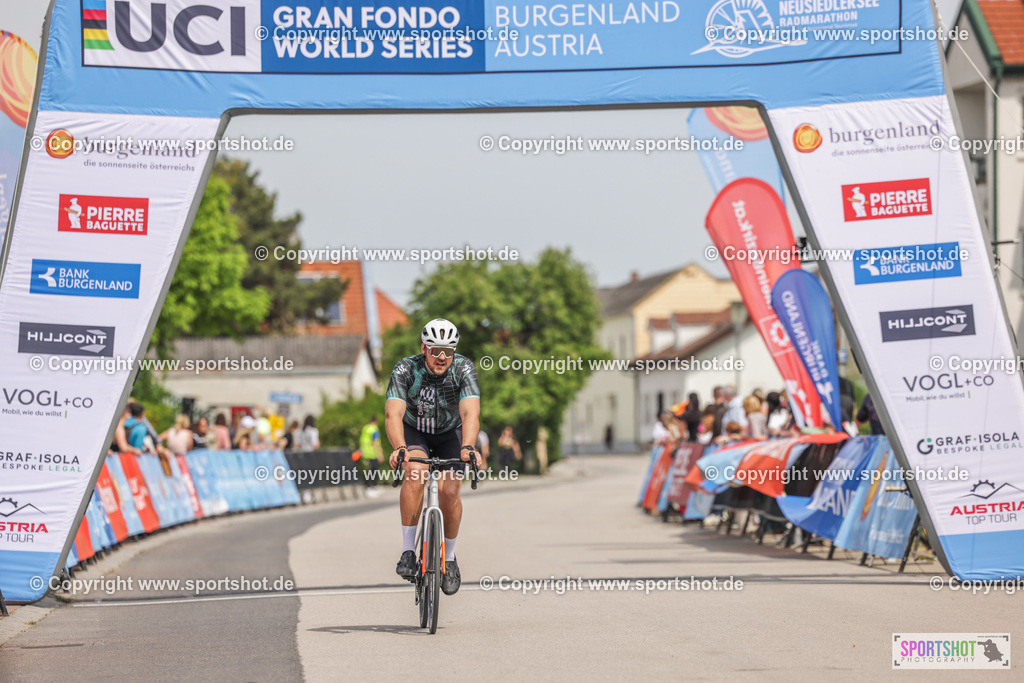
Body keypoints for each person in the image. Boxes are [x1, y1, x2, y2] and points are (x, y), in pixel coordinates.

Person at [386, 318, 481, 596]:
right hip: (416, 432)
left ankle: (449, 559)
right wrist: (400, 447)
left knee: (449, 489)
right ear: (423, 348)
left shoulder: (464, 368)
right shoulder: (406, 369)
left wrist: (469, 446)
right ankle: (407, 551)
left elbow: (470, 413)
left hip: (451, 433)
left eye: (448, 351)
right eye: (436, 350)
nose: (442, 357)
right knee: (415, 474)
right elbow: (394, 413)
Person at [359, 415, 384, 496]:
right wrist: (380, 454)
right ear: (376, 421)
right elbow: (375, 442)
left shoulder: (365, 428)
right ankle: (371, 487)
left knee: (369, 470)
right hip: (373, 453)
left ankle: (372, 486)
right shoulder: (374, 429)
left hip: (365, 452)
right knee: (374, 470)